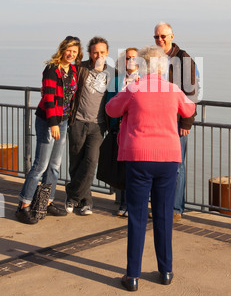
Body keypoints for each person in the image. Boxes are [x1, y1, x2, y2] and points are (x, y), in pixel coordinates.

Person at [105, 45, 195, 291]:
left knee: (136, 215)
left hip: (139, 158)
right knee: (164, 215)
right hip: (168, 159)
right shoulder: (172, 89)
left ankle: (132, 276)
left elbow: (111, 109)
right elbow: (189, 108)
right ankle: (165, 271)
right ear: (164, 67)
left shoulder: (133, 88)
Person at [16, 36, 83, 225]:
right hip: (48, 121)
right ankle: (24, 205)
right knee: (40, 166)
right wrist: (53, 123)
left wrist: (62, 121)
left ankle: (46, 202)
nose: (71, 54)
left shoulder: (74, 70)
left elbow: (70, 97)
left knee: (54, 166)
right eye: (69, 50)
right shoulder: (52, 69)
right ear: (62, 49)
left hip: (62, 121)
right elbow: (49, 98)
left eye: (75, 52)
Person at [154, 22, 198, 222]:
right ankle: (161, 206)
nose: (160, 40)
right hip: (157, 121)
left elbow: (191, 94)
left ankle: (176, 209)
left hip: (177, 121)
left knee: (177, 166)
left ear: (172, 36)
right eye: (157, 37)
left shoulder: (184, 59)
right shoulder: (153, 58)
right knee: (159, 166)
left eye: (163, 36)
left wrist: (186, 123)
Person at [65, 36, 114, 216]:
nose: (98, 55)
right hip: (77, 121)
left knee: (91, 161)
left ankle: (72, 197)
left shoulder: (113, 73)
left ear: (107, 52)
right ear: (90, 53)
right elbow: (66, 85)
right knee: (76, 162)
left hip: (98, 125)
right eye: (95, 52)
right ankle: (86, 201)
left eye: (102, 52)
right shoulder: (80, 69)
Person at [106, 47, 139, 217]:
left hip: (137, 129)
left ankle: (132, 204)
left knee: (135, 168)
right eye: (127, 58)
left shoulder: (145, 80)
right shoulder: (118, 79)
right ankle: (124, 203)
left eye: (134, 57)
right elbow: (110, 101)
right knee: (124, 168)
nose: (131, 60)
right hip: (120, 129)